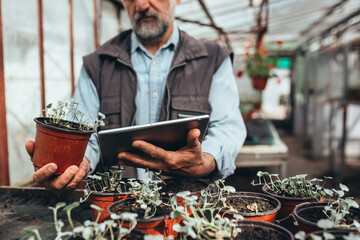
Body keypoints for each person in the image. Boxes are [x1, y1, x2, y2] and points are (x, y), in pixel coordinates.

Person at [25, 0, 246, 192]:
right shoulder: (98, 64)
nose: (140, 4)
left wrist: (206, 160)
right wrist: (75, 163)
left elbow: (227, 127)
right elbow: (86, 137)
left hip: (189, 208)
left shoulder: (212, 59)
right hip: (117, 210)